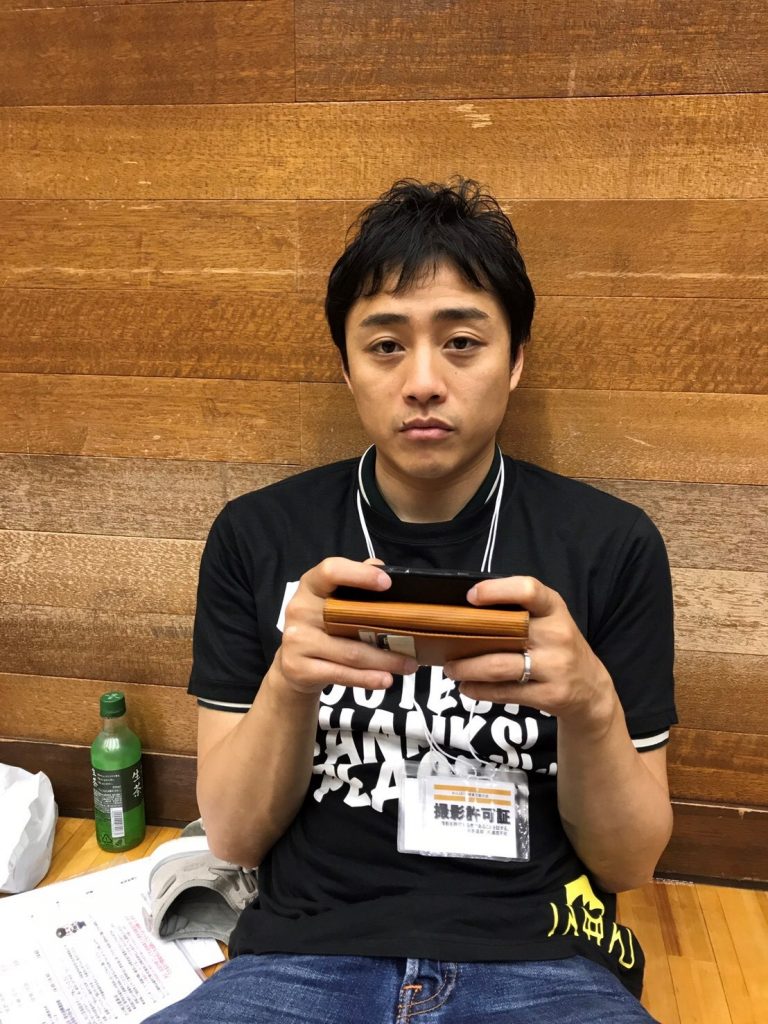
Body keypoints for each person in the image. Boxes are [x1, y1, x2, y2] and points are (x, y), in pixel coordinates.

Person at [144, 178, 676, 1024]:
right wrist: (288, 683)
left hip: (541, 959)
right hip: (303, 956)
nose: (423, 381)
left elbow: (629, 866)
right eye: (387, 345)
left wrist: (592, 705)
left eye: (462, 342)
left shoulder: (611, 545)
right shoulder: (258, 534)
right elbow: (235, 838)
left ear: (517, 359)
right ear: (346, 366)